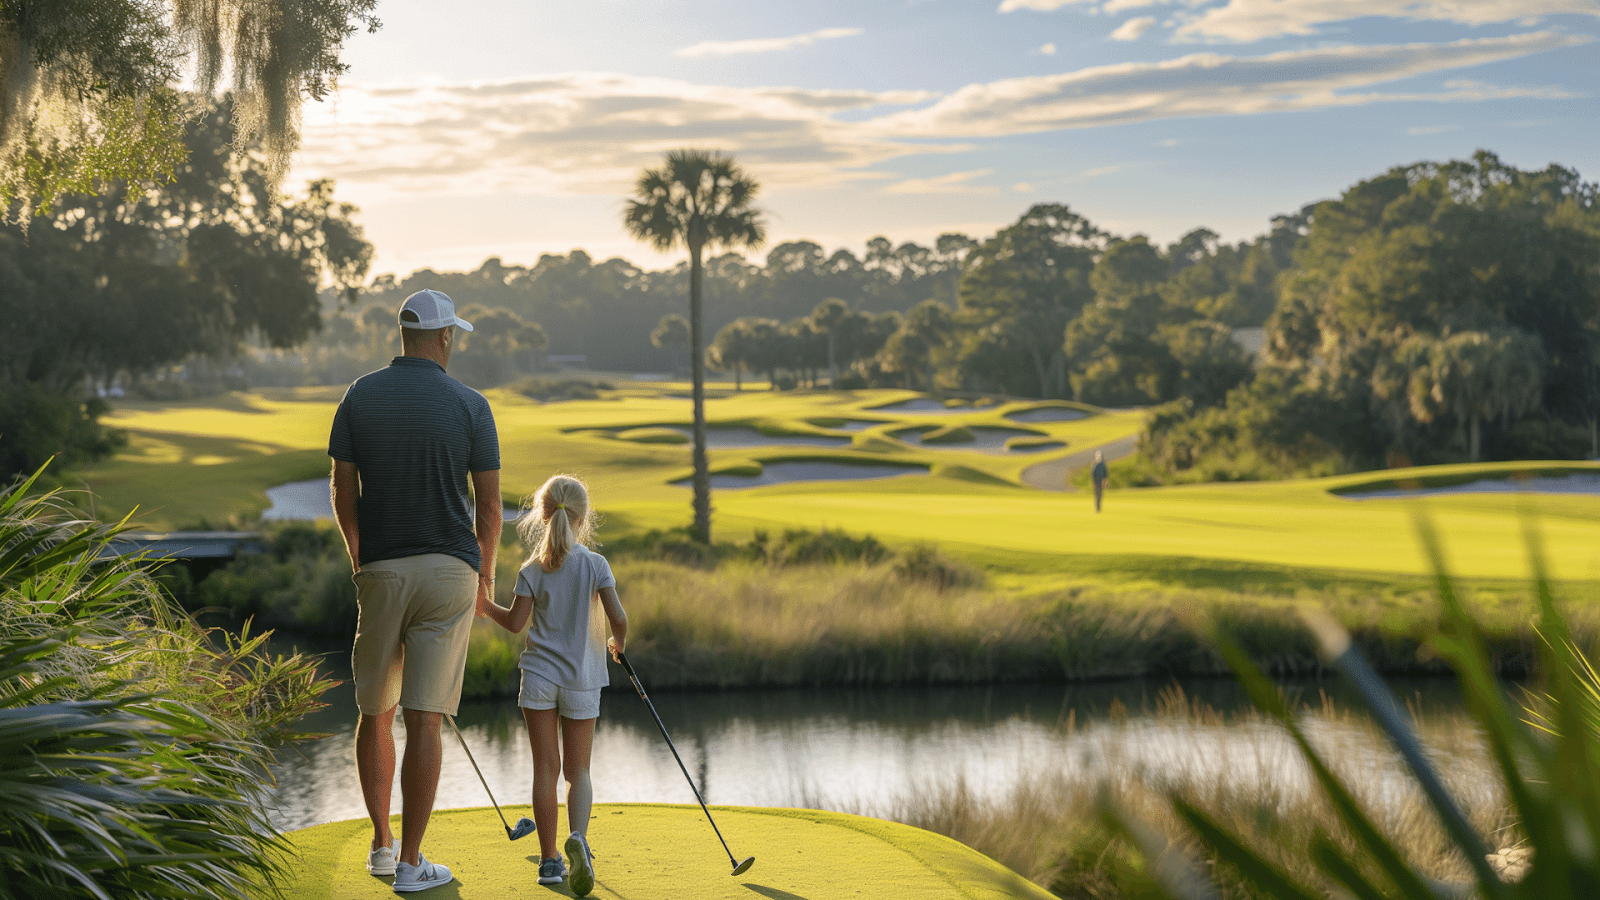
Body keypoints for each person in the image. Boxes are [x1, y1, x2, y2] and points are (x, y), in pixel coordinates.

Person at [329, 289, 502, 893]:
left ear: (404, 334)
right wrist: (484, 573)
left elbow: (342, 491)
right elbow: (490, 504)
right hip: (449, 573)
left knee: (374, 711)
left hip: (380, 570)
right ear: (445, 337)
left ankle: (381, 846)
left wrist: (359, 555)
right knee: (425, 720)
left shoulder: (359, 394)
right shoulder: (471, 404)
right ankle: (410, 866)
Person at [477, 474, 629, 898]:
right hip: (582, 680)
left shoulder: (531, 570)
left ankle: (548, 862)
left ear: (542, 514)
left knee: (545, 769)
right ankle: (577, 838)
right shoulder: (596, 565)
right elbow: (619, 617)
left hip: (539, 679)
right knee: (578, 771)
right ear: (583, 518)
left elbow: (514, 623)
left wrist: (484, 606)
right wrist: (619, 644)